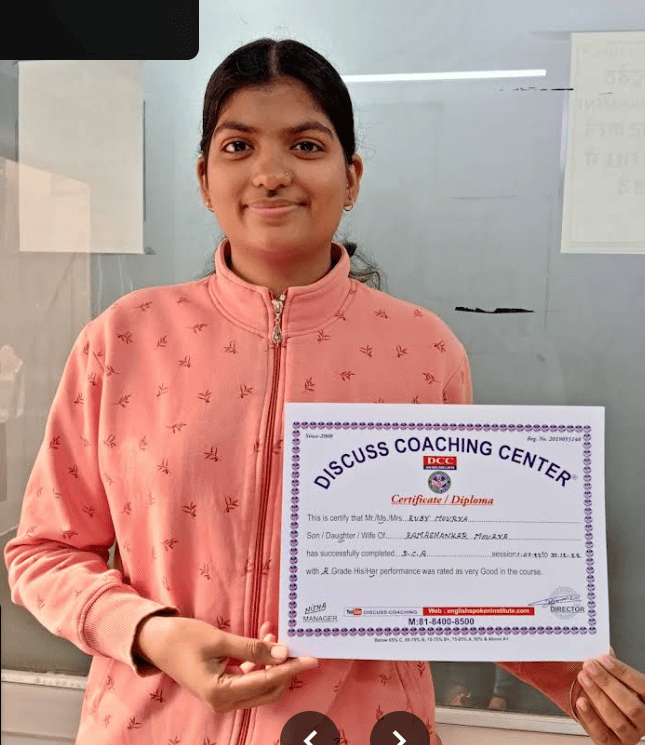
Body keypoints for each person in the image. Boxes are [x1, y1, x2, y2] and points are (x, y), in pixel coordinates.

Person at [4, 38, 645, 745]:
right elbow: (43, 551)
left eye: (305, 146)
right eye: (238, 146)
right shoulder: (124, 338)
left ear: (352, 176)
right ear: (204, 178)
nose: (270, 173)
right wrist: (150, 632)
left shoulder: (422, 351)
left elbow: (451, 560)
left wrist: (577, 677)